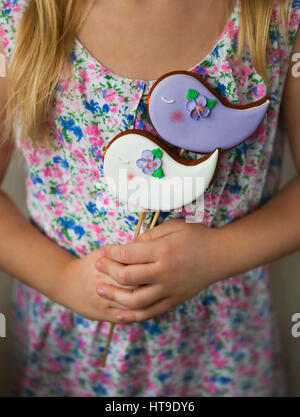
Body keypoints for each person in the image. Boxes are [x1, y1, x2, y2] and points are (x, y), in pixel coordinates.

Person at [0, 0, 299, 397]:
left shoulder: (278, 14)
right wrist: (60, 278)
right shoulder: (19, 14)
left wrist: (217, 256)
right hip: (66, 353)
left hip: (222, 350)